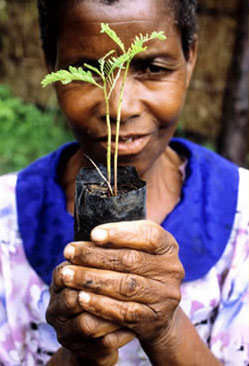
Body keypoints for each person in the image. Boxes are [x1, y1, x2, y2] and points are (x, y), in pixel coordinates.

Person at [0, 0, 248, 365]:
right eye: (87, 71)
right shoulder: (7, 223)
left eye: (152, 67)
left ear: (190, 57)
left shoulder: (242, 218)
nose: (119, 107)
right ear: (51, 64)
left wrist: (166, 329)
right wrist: (78, 352)